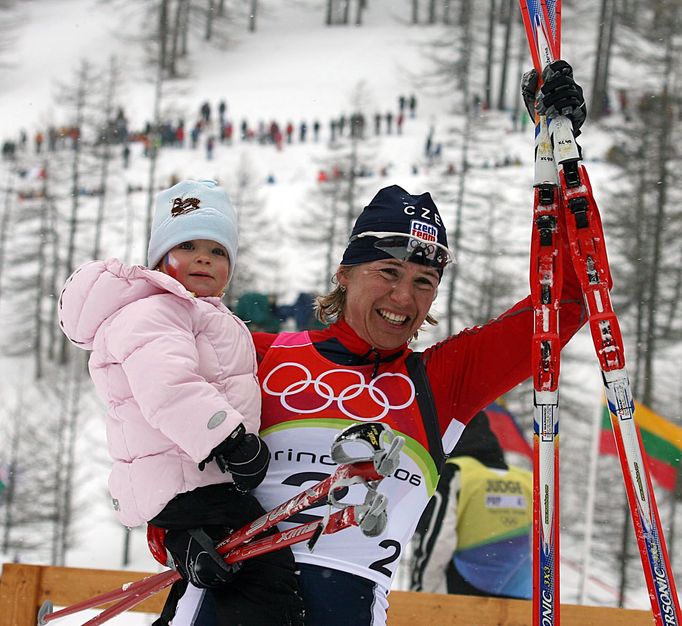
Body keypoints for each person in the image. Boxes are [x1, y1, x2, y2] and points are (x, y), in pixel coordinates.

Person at [161, 61, 589, 626]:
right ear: (345, 273)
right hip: (223, 604)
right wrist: (173, 530)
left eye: (423, 282)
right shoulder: (258, 352)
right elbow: (150, 423)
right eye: (387, 271)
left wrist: (563, 160)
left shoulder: (439, 383)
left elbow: (570, 300)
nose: (403, 297)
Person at [57, 179, 304, 626]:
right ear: (159, 257)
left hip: (193, 479)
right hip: (188, 478)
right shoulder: (157, 311)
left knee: (221, 576)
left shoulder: (203, 314)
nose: (204, 257)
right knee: (265, 577)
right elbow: (168, 386)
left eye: (218, 250)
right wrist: (231, 440)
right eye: (187, 245)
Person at [409, 411, 532, 599]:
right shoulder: (526, 480)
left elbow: (438, 539)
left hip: (464, 594)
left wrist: (421, 594)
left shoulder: (455, 473)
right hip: (522, 595)